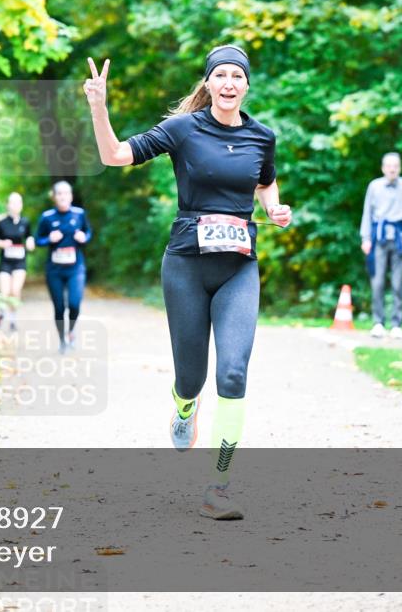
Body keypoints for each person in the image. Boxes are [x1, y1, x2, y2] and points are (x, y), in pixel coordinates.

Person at [83, 45, 292, 520]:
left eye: (237, 75)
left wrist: (273, 210)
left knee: (234, 374)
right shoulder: (183, 129)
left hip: (239, 267)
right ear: (208, 83)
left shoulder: (263, 136)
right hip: (186, 265)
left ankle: (219, 485)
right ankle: (183, 406)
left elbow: (264, 183)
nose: (229, 83)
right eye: (220, 75)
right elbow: (115, 155)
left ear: (246, 85)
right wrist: (99, 108)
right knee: (191, 377)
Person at [360, 152, 402, 339]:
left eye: (396, 166)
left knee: (397, 282)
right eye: (389, 166)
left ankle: (396, 324)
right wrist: (366, 238)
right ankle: (378, 322)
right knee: (377, 282)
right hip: (379, 239)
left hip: (400, 240)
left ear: (399, 168)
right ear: (383, 168)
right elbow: (367, 213)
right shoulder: (374, 186)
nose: (392, 169)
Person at [35, 181, 92, 354]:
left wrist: (84, 237)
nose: (62, 197)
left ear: (71, 196)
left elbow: (88, 232)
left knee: (74, 304)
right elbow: (37, 240)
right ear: (54, 197)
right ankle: (62, 341)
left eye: (66, 193)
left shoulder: (79, 214)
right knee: (59, 307)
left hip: (76, 268)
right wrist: (48, 239)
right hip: (54, 270)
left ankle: (71, 331)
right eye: (59, 194)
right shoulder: (47, 217)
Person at [0, 192, 35, 331]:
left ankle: (13, 319)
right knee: (4, 292)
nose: (15, 205)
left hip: (19, 261)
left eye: (18, 202)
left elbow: (29, 237)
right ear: (7, 205)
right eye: (12, 202)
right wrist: (2, 243)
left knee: (15, 291)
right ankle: (1, 314)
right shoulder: (1, 223)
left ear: (21, 205)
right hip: (5, 261)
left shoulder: (25, 222)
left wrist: (30, 242)